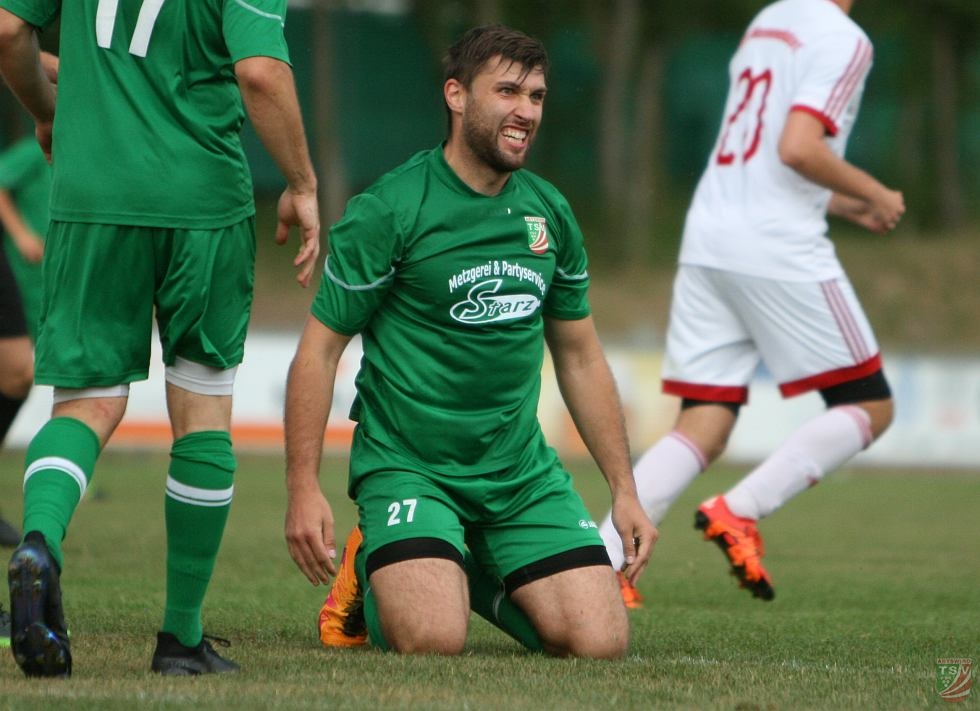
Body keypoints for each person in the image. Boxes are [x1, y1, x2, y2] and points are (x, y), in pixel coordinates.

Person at [284, 24, 656, 658]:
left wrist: (624, 489)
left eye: (537, 96)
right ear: (456, 96)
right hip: (411, 466)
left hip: (518, 472)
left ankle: (466, 564)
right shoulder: (391, 209)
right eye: (508, 91)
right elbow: (319, 351)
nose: (526, 111)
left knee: (600, 643)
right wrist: (302, 487)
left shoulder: (549, 214)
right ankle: (372, 560)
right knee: (432, 639)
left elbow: (579, 355)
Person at [0, 0, 320, 678]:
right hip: (201, 200)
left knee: (84, 402)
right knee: (202, 408)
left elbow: (6, 29)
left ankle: (39, 544)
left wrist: (48, 108)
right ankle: (180, 638)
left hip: (90, 196)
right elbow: (260, 72)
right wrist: (301, 182)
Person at [599, 0, 904, 608]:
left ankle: (602, 563)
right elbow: (797, 147)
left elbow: (763, 154)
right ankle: (741, 510)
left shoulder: (768, 21)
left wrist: (842, 204)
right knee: (869, 404)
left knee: (704, 421)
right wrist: (878, 193)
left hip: (710, 234)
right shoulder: (845, 38)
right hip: (775, 244)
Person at [0, 131, 51, 548]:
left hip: (50, 289)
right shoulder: (36, 146)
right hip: (19, 274)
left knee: (19, 375)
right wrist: (20, 235)